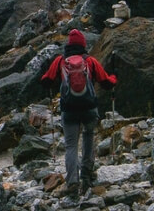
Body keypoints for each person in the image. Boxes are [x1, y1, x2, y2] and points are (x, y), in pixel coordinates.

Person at [41, 29, 117, 197]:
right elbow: (106, 83)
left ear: (69, 44)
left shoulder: (60, 61)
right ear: (83, 45)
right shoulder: (89, 61)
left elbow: (46, 80)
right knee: (89, 138)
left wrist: (46, 68)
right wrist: (114, 77)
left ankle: (73, 183)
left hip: (69, 111)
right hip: (89, 108)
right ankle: (87, 175)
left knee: (70, 146)